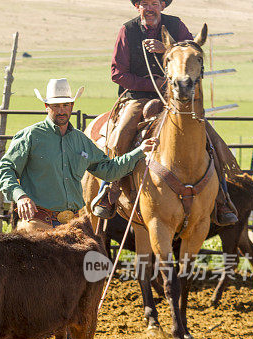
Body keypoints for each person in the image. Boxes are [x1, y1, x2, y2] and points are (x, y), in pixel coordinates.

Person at [0, 78, 157, 339]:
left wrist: (139, 153)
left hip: (73, 224)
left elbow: (108, 169)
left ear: (72, 106)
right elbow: (6, 170)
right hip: (37, 220)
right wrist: (19, 195)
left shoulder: (80, 141)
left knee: (80, 285)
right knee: (33, 287)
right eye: (56, 105)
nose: (62, 109)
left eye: (66, 104)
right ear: (46, 106)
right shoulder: (30, 136)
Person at [90, 0, 239, 226]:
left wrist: (166, 49)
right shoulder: (127, 30)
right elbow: (117, 73)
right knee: (121, 133)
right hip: (138, 96)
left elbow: (191, 51)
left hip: (176, 96)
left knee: (208, 135)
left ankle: (221, 197)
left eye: (155, 3)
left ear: (162, 6)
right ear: (137, 6)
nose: (150, 8)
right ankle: (110, 190)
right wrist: (151, 84)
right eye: (145, 3)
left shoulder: (176, 26)